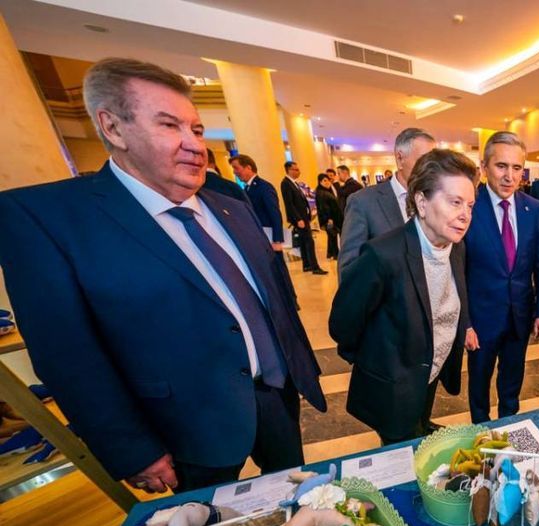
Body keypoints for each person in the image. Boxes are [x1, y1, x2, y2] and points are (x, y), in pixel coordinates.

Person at [0, 58, 326, 493]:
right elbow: (66, 355)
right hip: (181, 430)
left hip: (275, 396)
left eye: (197, 129)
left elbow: (273, 297)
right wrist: (131, 449)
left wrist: (297, 371)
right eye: (170, 126)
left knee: (294, 498)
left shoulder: (229, 202)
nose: (194, 145)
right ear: (113, 128)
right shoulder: (49, 219)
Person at [329, 149, 475, 445]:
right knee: (400, 451)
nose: (465, 215)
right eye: (455, 202)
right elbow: (343, 323)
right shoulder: (383, 254)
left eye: (470, 205)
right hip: (393, 385)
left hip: (428, 374)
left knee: (418, 433)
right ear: (421, 202)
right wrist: (382, 365)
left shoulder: (456, 247)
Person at [464, 132, 539, 423]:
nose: (509, 176)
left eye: (517, 168)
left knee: (512, 383)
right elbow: (457, 271)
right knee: (479, 384)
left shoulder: (534, 209)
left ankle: (509, 427)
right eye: (501, 166)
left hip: (520, 316)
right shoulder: (468, 207)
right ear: (484, 167)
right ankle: (479, 432)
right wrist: (465, 323)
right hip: (481, 320)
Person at [338, 128, 436, 277]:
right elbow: (349, 271)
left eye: (434, 162)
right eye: (424, 161)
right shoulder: (363, 202)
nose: (431, 169)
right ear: (400, 158)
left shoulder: (436, 198)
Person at [230, 154, 285, 255]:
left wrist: (277, 239)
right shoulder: (247, 188)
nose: (234, 172)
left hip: (269, 238)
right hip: (257, 237)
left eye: (236, 168)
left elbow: (275, 214)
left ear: (248, 167)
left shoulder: (264, 187)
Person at [281, 161, 326, 274]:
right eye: (296, 169)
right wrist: (298, 219)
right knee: (309, 242)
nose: (298, 171)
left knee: (303, 241)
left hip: (303, 217)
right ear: (289, 170)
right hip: (300, 219)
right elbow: (289, 204)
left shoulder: (294, 183)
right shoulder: (286, 183)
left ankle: (306, 265)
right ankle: (315, 267)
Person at [315, 173, 343, 261]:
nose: (327, 182)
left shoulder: (326, 191)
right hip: (329, 220)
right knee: (332, 235)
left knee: (331, 235)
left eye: (328, 180)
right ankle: (335, 254)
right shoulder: (321, 193)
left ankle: (330, 254)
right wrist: (329, 219)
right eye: (324, 181)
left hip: (332, 218)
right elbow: (323, 208)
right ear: (320, 182)